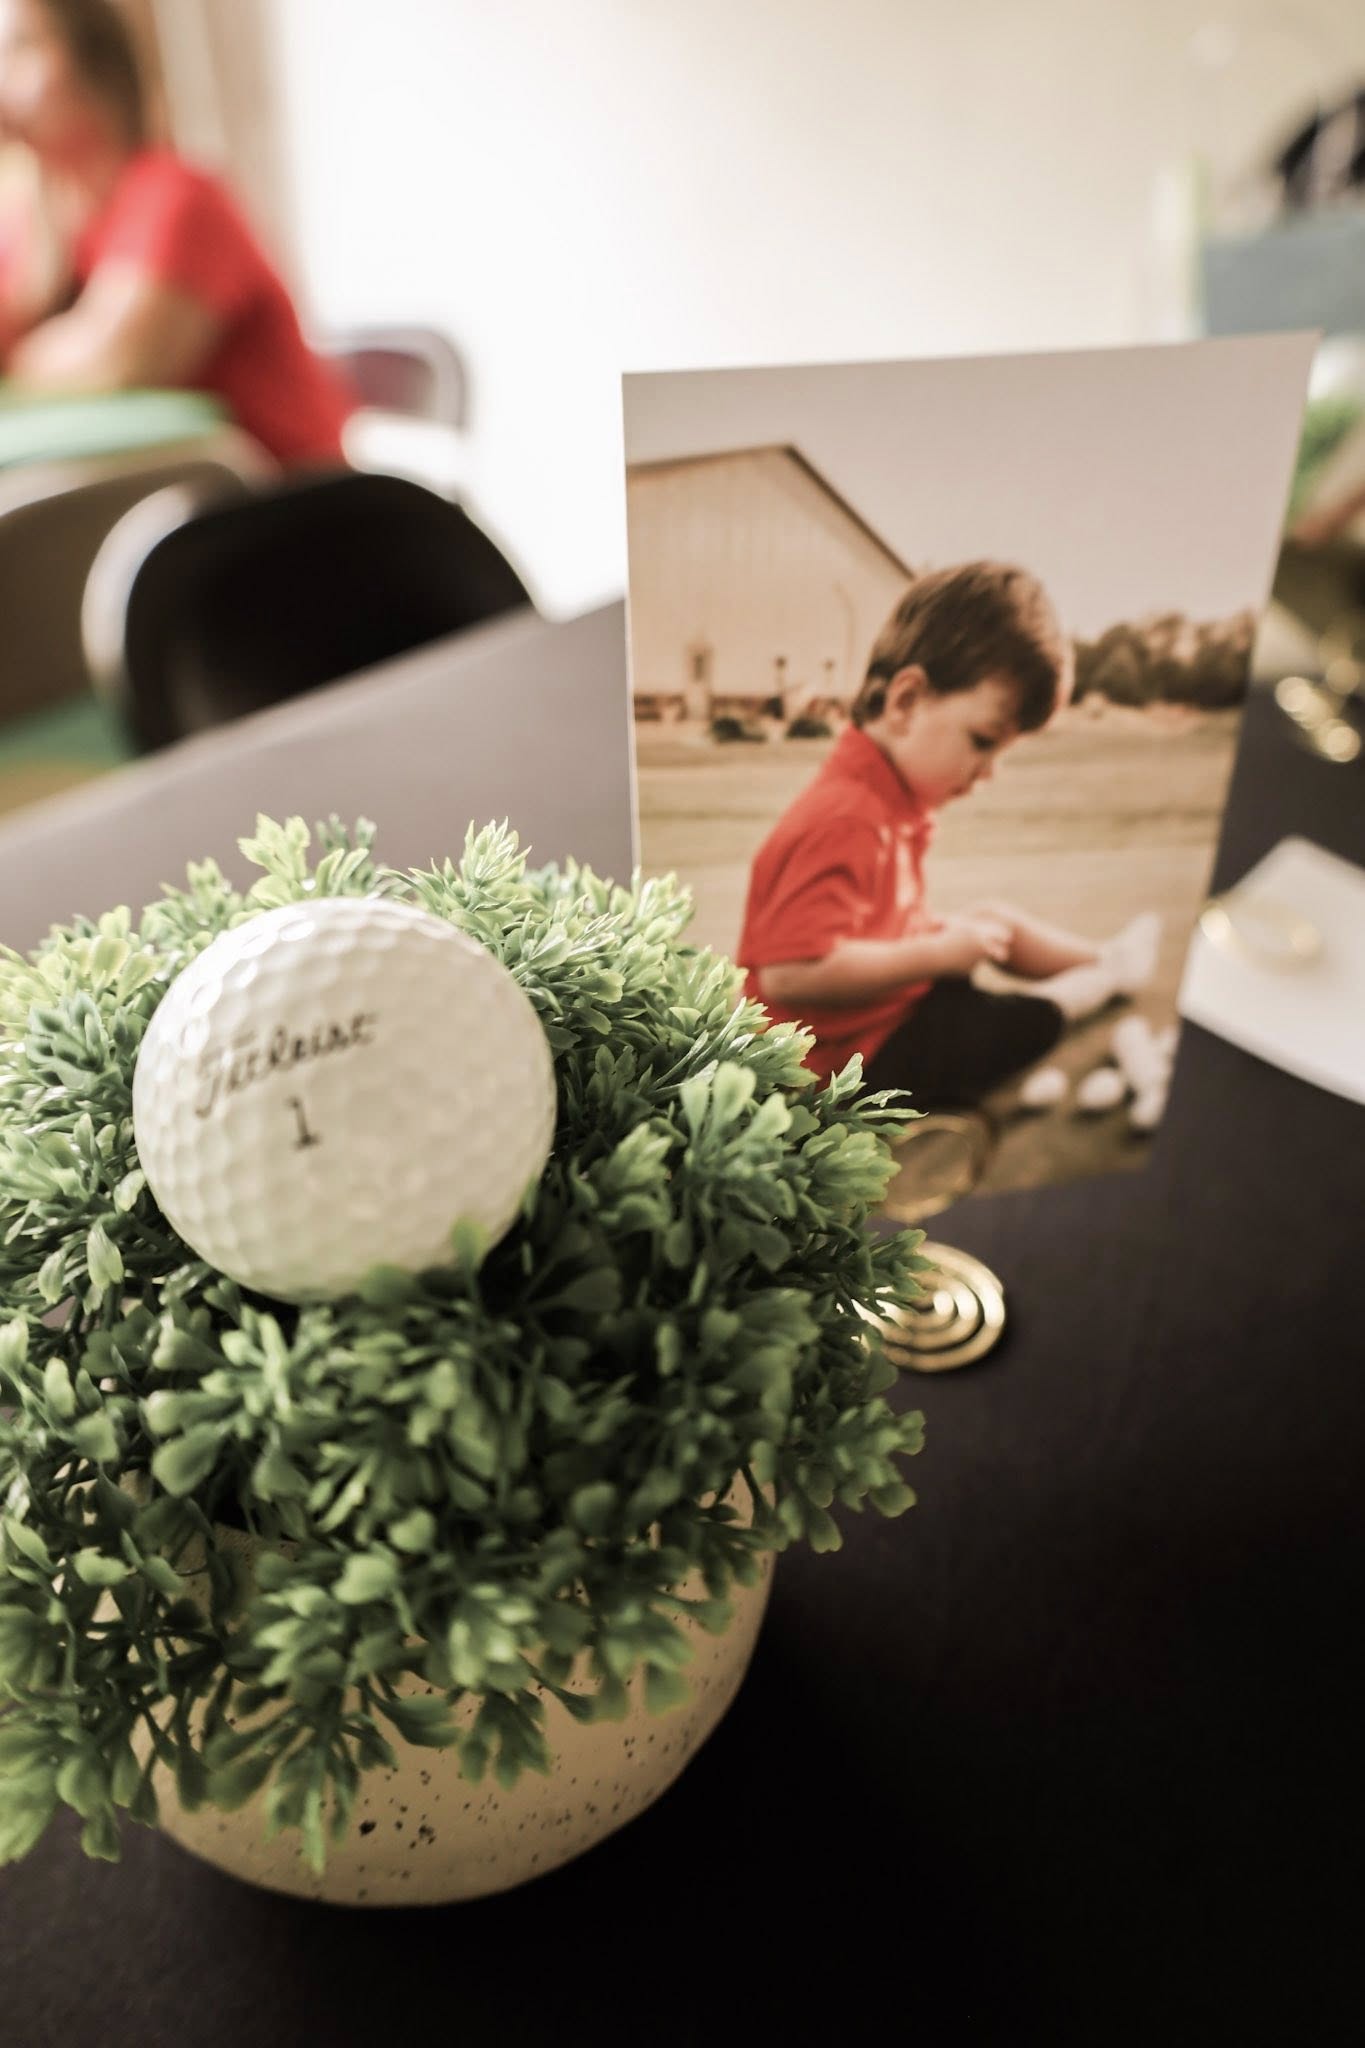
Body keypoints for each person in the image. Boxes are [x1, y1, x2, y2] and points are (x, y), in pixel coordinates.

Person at [737, 561, 1159, 1104]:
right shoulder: (848, 816)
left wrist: (940, 944)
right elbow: (791, 976)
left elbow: (876, 928)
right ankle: (1094, 987)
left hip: (881, 1011)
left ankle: (1107, 959)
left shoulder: (886, 797)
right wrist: (936, 955)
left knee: (990, 922)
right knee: (1001, 1028)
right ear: (906, 702)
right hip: (836, 1062)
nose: (989, 771)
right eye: (983, 741)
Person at [0, 0, 354, 466]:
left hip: (296, 503)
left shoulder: (177, 195)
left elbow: (115, 363)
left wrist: (31, 354)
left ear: (98, 65)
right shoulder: (40, 230)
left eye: (21, 49)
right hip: (168, 504)